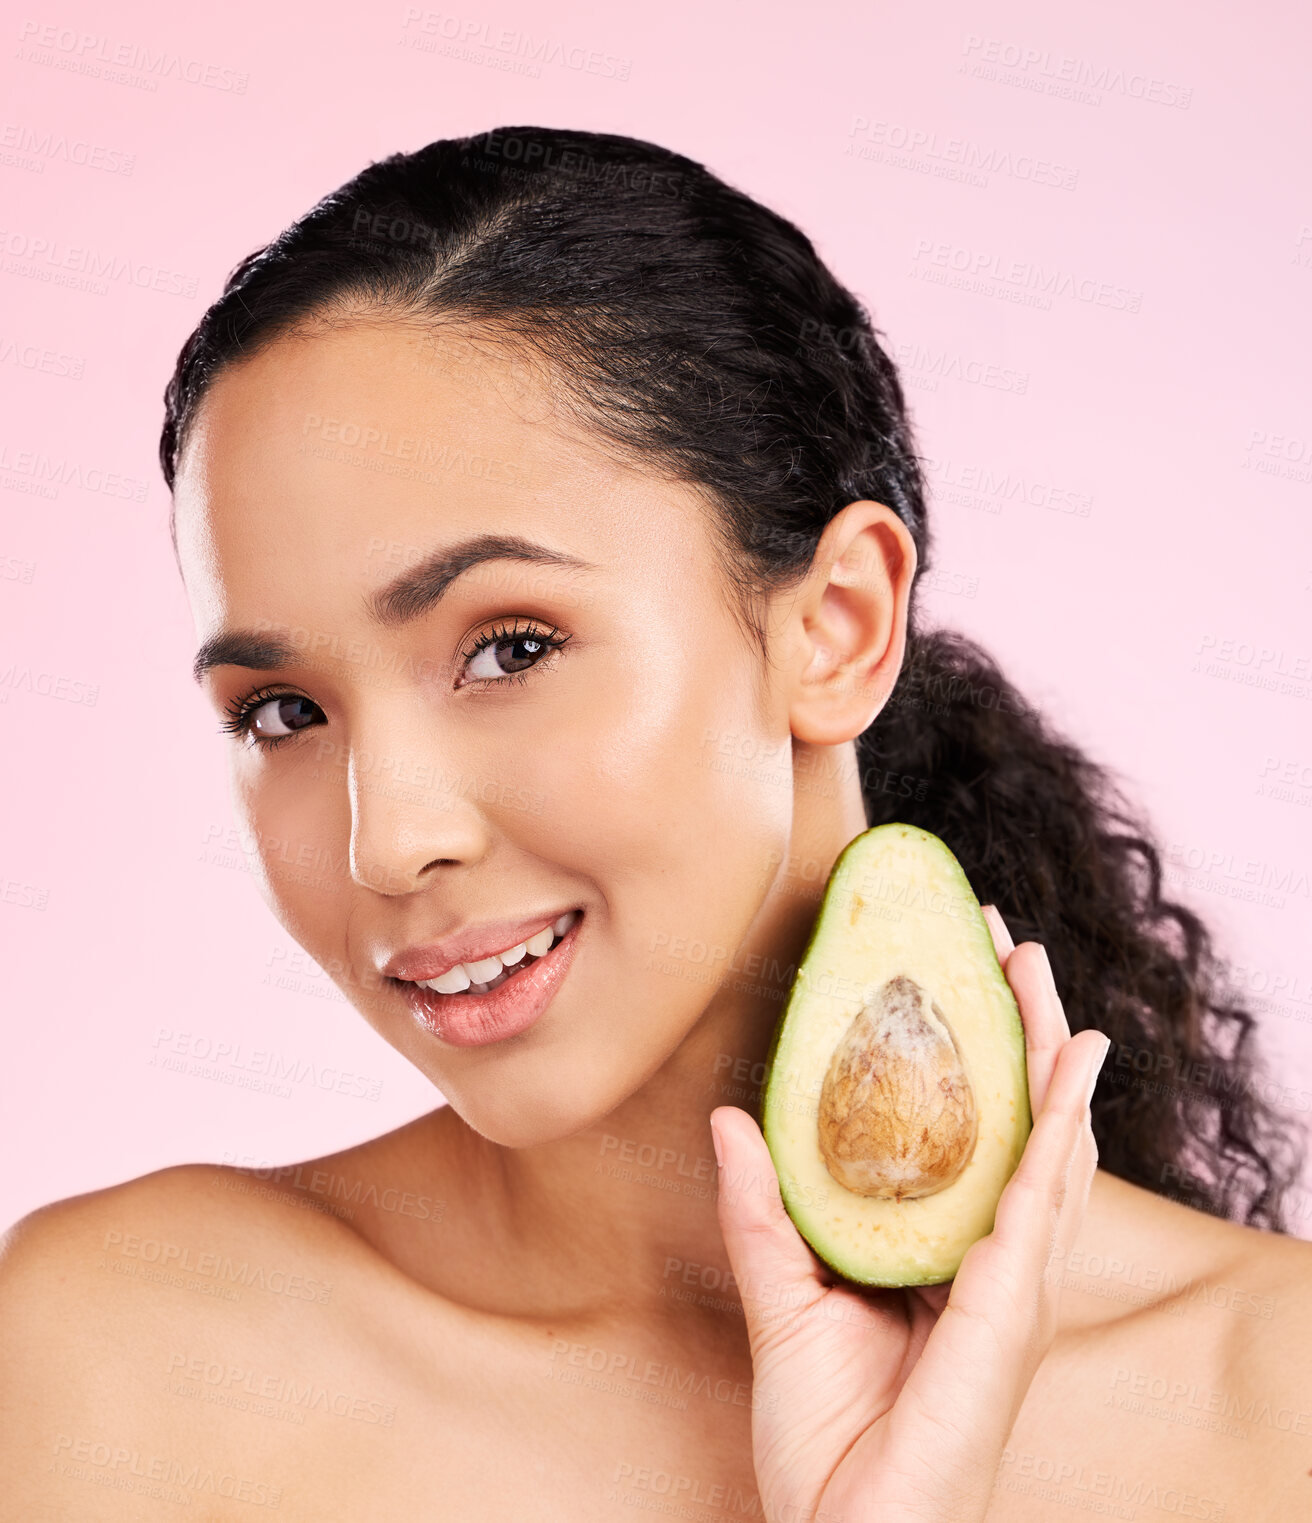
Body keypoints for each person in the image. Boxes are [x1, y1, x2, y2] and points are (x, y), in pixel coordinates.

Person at [3, 126, 1309, 1520]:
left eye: (507, 648)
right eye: (281, 712)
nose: (386, 845)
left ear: (837, 629)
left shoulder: (1271, 1406)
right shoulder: (121, 1362)